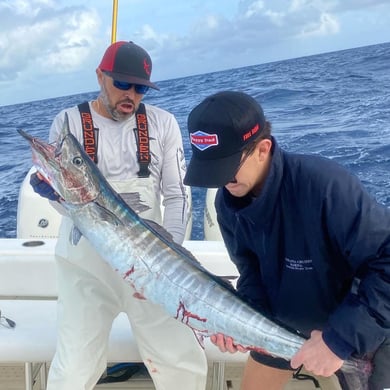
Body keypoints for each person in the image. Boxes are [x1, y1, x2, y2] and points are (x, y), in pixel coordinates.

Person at [30, 41, 207, 390]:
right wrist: (57, 197)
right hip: (85, 266)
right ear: (100, 75)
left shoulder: (163, 123)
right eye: (121, 84)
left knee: (181, 362)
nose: (131, 94)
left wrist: (166, 263)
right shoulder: (66, 123)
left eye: (140, 88)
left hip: (152, 264)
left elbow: (176, 196)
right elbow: (71, 204)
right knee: (73, 367)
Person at [183, 90, 390, 390]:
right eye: (212, 169)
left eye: (228, 167)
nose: (223, 180)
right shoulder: (228, 205)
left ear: (262, 148)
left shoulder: (324, 186)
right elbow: (252, 275)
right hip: (285, 326)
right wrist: (238, 324)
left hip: (359, 324)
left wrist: (340, 339)